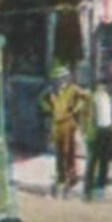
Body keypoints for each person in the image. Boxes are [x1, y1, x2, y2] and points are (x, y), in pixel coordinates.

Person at [39, 65, 88, 197]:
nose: (59, 81)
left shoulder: (72, 89)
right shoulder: (51, 91)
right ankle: (61, 176)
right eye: (56, 79)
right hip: (57, 124)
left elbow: (84, 97)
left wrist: (76, 109)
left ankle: (71, 176)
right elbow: (41, 99)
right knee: (59, 151)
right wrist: (48, 109)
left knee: (69, 151)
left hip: (68, 123)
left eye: (61, 78)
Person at [84, 70, 112, 200]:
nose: (102, 87)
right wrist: (86, 131)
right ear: (96, 86)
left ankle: (100, 185)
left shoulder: (111, 98)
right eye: (100, 85)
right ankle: (88, 187)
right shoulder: (91, 99)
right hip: (95, 131)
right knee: (92, 160)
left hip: (107, 130)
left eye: (104, 85)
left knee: (104, 160)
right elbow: (85, 116)